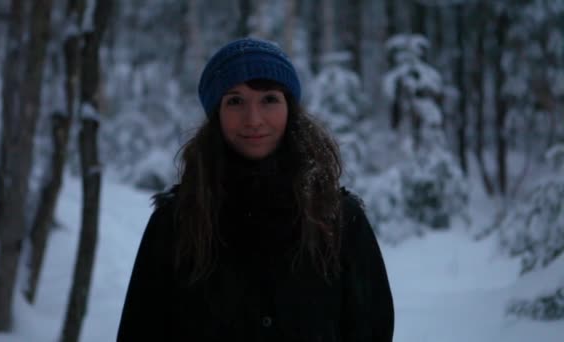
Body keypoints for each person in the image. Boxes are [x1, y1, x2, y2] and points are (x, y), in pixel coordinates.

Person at [117, 37, 394, 341]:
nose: (253, 119)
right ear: (216, 114)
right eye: (235, 101)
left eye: (269, 99)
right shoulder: (177, 222)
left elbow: (373, 329)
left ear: (289, 107)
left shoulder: (339, 219)